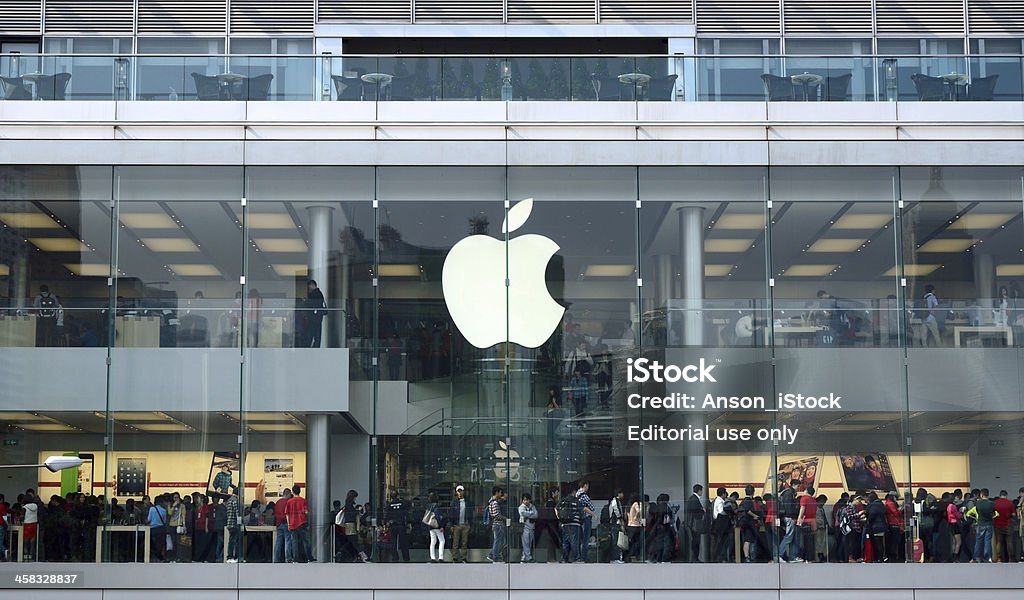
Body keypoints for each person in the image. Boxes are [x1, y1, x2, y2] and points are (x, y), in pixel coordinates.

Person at [777, 479, 803, 563]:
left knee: (792, 537)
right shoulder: (789, 493)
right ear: (793, 485)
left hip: (789, 517)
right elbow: (788, 507)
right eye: (798, 486)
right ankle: (779, 555)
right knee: (788, 537)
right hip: (789, 517)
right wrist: (792, 517)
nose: (798, 488)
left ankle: (792, 556)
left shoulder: (788, 493)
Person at [447, 484, 473, 563]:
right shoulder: (454, 503)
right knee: (455, 542)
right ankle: (455, 557)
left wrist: (470, 523)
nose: (460, 493)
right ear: (456, 492)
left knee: (464, 542)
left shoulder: (467, 502)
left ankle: (463, 557)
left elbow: (470, 512)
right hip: (456, 524)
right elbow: (451, 514)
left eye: (461, 491)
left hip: (465, 524)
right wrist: (451, 524)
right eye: (458, 491)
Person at [285, 484, 312, 563]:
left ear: (293, 492)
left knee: (294, 542)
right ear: (300, 491)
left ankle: (296, 558)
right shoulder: (303, 500)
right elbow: (306, 512)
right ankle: (308, 557)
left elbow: (287, 514)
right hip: (302, 523)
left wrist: (289, 524)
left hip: (293, 524)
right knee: (305, 541)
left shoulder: (289, 501)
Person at [556, 487, 582, 563]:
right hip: (574, 523)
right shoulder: (576, 500)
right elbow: (581, 510)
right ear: (573, 491)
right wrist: (581, 520)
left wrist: (560, 518)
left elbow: (556, 508)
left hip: (564, 523)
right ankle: (576, 558)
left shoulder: (563, 500)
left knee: (566, 541)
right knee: (574, 541)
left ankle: (564, 558)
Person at [385, 490, 411, 563]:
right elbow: (406, 513)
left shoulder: (389, 505)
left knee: (393, 542)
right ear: (398, 496)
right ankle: (406, 558)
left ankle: (395, 557)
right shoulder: (403, 503)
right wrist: (409, 523)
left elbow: (386, 516)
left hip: (393, 525)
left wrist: (387, 522)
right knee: (403, 542)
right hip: (401, 524)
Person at [300, 279, 327, 348]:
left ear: (312, 285)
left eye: (309, 286)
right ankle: (315, 348)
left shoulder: (314, 294)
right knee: (317, 334)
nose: (309, 288)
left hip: (314, 317)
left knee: (310, 334)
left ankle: (309, 348)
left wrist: (305, 301)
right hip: (318, 317)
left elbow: (313, 304)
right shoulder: (319, 293)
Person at [682, 484, 705, 563]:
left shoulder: (691, 498)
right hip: (695, 523)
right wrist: (702, 510)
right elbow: (696, 511)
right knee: (696, 541)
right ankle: (695, 558)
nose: (702, 492)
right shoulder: (695, 499)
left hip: (691, 523)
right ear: (699, 490)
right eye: (702, 490)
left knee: (695, 540)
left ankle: (694, 558)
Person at [575, 481, 597, 562]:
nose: (588, 487)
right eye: (587, 486)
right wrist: (593, 514)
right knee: (586, 538)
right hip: (586, 517)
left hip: (579, 518)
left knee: (580, 538)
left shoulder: (577, 494)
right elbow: (591, 507)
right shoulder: (584, 495)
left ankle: (579, 556)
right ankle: (584, 556)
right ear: (585, 485)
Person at [993, 490, 1016, 563]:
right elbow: (1013, 514)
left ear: (1000, 495)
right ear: (1006, 495)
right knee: (1009, 542)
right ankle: (1011, 558)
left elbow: (993, 514)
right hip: (1007, 524)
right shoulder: (1010, 503)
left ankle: (999, 558)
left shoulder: (995, 503)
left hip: (997, 524)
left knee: (999, 542)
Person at [486, 486, 507, 563]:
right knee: (498, 541)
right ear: (497, 493)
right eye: (500, 492)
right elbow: (496, 515)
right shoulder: (494, 503)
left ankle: (493, 554)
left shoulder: (491, 501)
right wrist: (505, 518)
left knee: (500, 541)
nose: (501, 494)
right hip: (498, 524)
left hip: (497, 524)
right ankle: (494, 556)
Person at [424, 491, 445, 563]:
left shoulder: (428, 506)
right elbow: (439, 516)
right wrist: (441, 526)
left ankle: (432, 557)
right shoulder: (437, 506)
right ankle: (440, 557)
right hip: (437, 526)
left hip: (430, 525)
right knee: (442, 540)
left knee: (433, 541)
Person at [606, 489, 626, 564]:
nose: (623, 495)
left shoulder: (616, 501)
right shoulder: (615, 501)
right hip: (615, 523)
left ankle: (616, 557)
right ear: (619, 493)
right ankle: (615, 558)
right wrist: (621, 519)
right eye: (622, 493)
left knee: (617, 540)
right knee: (616, 540)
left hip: (616, 523)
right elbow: (616, 510)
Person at [273, 487, 292, 563]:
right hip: (286, 522)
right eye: (290, 495)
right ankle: (288, 558)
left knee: (278, 541)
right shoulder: (288, 502)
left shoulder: (277, 502)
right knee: (287, 541)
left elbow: (275, 513)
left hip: (279, 523)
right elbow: (288, 513)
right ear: (287, 494)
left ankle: (276, 558)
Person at [148, 495, 169, 563]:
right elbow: (165, 521)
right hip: (161, 529)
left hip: (153, 529)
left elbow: (149, 519)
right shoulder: (164, 510)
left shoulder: (152, 509)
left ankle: (154, 557)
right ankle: (160, 557)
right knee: (160, 544)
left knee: (153, 544)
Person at [518, 493, 538, 563]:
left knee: (529, 543)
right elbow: (523, 513)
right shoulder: (521, 507)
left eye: (527, 500)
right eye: (524, 500)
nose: (526, 501)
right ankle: (529, 557)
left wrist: (529, 515)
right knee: (525, 543)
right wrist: (531, 514)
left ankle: (524, 557)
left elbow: (536, 515)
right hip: (524, 527)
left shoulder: (533, 506)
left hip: (532, 527)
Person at [224, 486, 240, 563]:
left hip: (229, 522)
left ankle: (230, 556)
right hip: (234, 523)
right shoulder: (235, 500)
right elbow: (237, 511)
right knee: (234, 541)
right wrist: (240, 521)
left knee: (231, 540)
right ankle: (233, 557)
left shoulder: (229, 500)